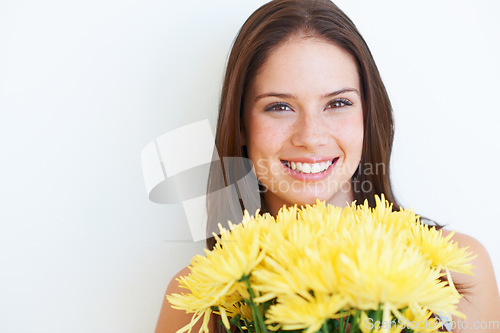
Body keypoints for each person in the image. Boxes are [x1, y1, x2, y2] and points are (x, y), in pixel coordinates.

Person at [155, 0, 500, 332]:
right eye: (279, 107)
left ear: (368, 116)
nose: (311, 137)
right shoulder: (193, 298)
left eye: (337, 103)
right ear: (242, 126)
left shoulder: (458, 274)